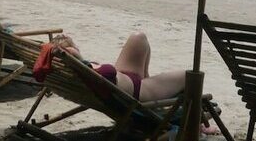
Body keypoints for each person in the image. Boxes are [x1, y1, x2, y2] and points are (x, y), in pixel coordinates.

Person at [51, 33, 186, 102]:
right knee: (188, 76)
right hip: (139, 91)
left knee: (138, 37)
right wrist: (75, 54)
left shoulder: (81, 68)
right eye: (72, 46)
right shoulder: (81, 65)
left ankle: (147, 77)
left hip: (127, 77)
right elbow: (72, 55)